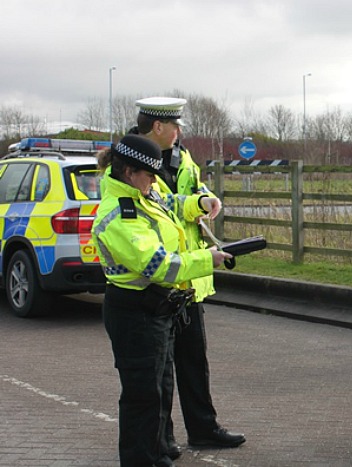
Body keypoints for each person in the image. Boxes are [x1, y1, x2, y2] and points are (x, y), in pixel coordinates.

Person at [92, 135, 231, 467]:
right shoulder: (119, 215)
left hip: (156, 309)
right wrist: (205, 258)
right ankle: (142, 459)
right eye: (150, 175)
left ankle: (158, 450)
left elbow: (171, 204)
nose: (155, 182)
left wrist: (199, 203)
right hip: (135, 309)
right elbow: (159, 266)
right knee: (143, 393)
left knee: (160, 385)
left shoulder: (142, 194)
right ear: (129, 172)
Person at [130, 97, 246, 456]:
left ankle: (203, 429)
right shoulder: (130, 162)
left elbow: (194, 189)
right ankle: (162, 440)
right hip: (159, 280)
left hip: (189, 279)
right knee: (159, 371)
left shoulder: (182, 156)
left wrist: (209, 199)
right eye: (175, 126)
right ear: (158, 128)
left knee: (194, 359)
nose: (180, 132)